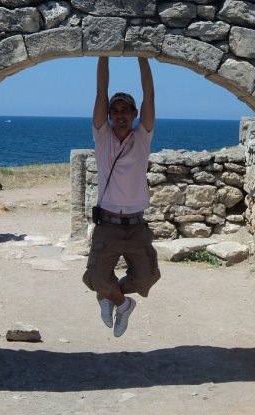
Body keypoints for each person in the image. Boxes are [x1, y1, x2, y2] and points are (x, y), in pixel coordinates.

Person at [82, 56, 161, 337]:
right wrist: (104, 55)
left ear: (134, 113)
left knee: (148, 277)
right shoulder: (102, 137)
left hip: (137, 225)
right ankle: (122, 303)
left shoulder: (142, 137)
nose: (119, 115)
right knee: (96, 278)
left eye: (125, 110)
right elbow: (100, 92)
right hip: (108, 225)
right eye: (114, 110)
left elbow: (149, 95)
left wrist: (142, 56)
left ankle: (109, 296)